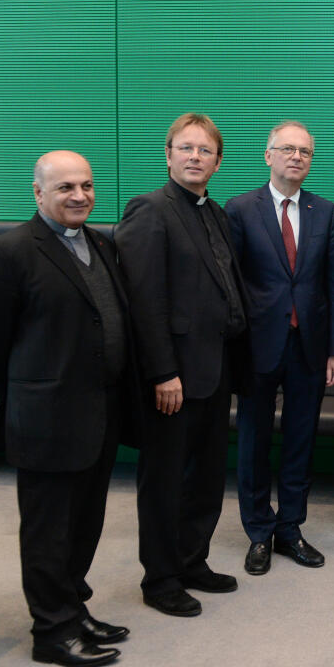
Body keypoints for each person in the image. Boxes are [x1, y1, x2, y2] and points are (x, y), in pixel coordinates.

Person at [0, 151, 135, 667]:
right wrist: (27, 392)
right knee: (47, 529)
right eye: (65, 187)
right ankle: (52, 632)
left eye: (86, 185)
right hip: (45, 416)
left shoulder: (101, 244)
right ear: (37, 193)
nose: (79, 195)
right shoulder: (8, 252)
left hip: (99, 412)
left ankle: (73, 609)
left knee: (84, 523)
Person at [115, 113, 250, 618]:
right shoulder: (149, 210)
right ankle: (161, 578)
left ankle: (193, 561)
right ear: (168, 154)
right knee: (166, 481)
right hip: (173, 379)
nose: (196, 157)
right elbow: (143, 302)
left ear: (218, 161)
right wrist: (161, 372)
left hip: (214, 373)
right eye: (186, 148)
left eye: (206, 150)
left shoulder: (214, 213)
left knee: (206, 477)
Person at [224, 121, 334, 575]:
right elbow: (231, 284)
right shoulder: (239, 209)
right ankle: (259, 532)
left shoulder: (324, 210)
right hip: (258, 346)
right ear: (268, 155)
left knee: (301, 440)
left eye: (305, 152)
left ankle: (290, 528)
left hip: (310, 347)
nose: (296, 157)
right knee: (254, 442)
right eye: (288, 149)